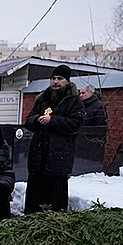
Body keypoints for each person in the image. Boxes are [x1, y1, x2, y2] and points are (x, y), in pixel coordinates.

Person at [24, 65, 85, 214]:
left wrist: (53, 120)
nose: (56, 82)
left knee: (54, 199)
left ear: (67, 81)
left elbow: (75, 124)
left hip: (59, 156)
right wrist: (38, 119)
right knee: (36, 197)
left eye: (60, 78)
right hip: (39, 155)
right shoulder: (43, 98)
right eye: (53, 78)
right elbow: (28, 120)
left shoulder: (74, 101)